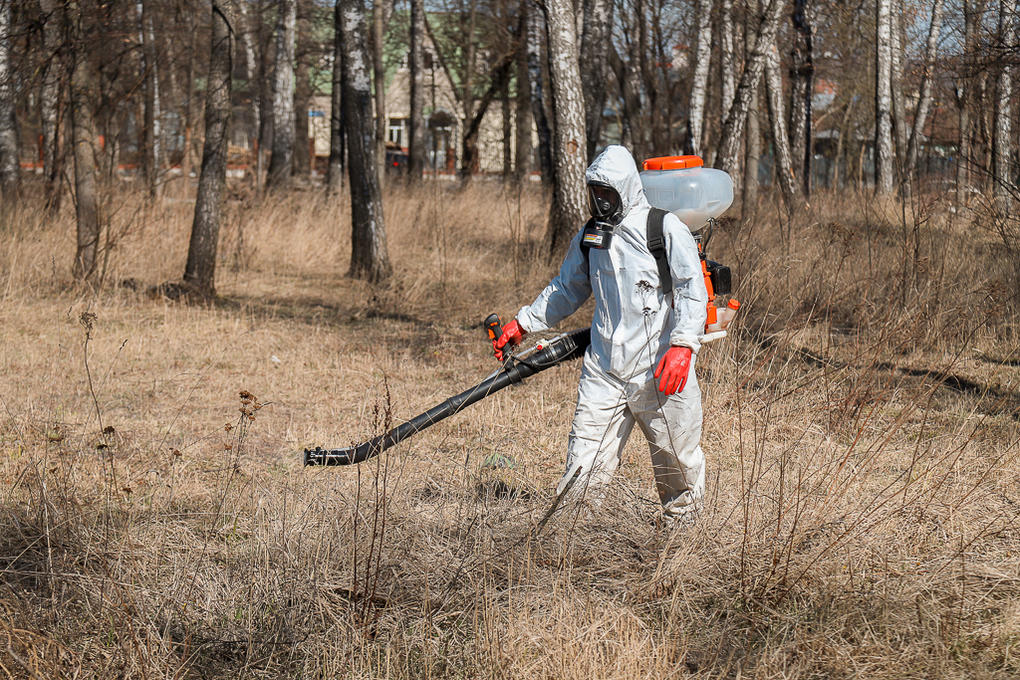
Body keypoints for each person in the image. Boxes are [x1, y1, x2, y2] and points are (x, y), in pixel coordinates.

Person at [493, 145, 708, 519]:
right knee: (582, 466)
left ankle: (684, 545)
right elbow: (567, 288)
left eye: (607, 193)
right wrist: (523, 323)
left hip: (660, 370)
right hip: (604, 371)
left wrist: (683, 347)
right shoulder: (591, 236)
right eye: (595, 193)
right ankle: (573, 542)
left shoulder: (663, 228)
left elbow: (693, 289)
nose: (600, 202)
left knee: (679, 466)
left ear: (625, 189)